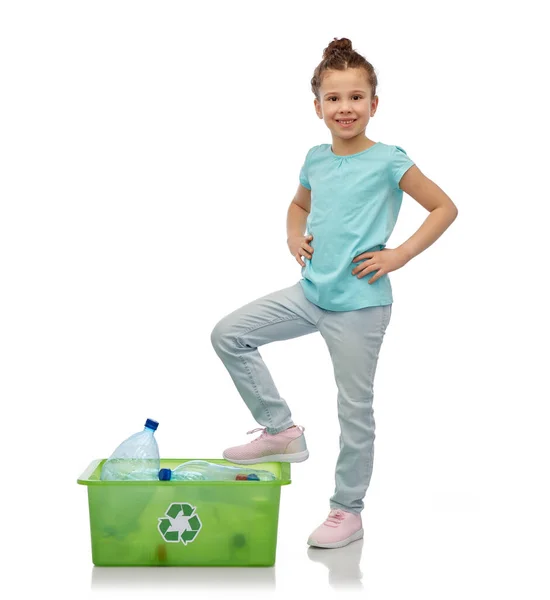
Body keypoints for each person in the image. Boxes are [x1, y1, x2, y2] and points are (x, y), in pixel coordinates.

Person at [210, 37, 458, 549]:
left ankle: (347, 511)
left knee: (353, 410)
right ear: (318, 106)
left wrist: (400, 254)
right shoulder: (315, 158)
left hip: (361, 305)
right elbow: (298, 206)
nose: (345, 108)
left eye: (356, 97)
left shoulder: (390, 160)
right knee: (229, 334)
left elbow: (444, 208)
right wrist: (291, 235)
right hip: (310, 293)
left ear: (374, 103)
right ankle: (280, 430)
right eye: (334, 98)